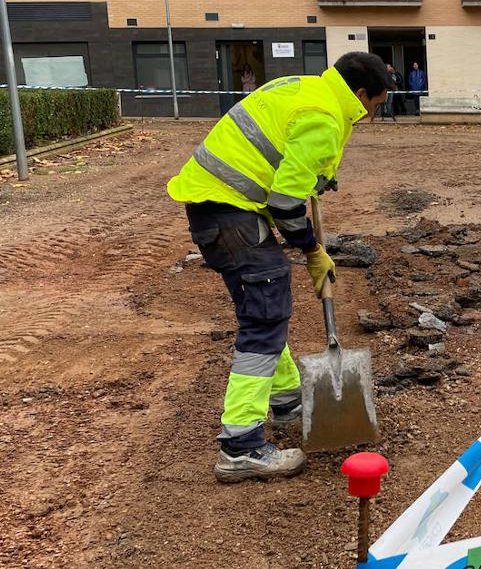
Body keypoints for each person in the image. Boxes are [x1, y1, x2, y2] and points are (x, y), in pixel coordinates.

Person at [167, 52, 390, 483]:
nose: (371, 115)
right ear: (360, 95)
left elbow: (285, 153)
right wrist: (312, 251)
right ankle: (240, 445)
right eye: (375, 106)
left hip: (216, 208)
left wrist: (320, 176)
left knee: (265, 309)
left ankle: (287, 399)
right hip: (232, 213)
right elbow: (286, 204)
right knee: (264, 316)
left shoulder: (306, 87)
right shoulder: (326, 117)